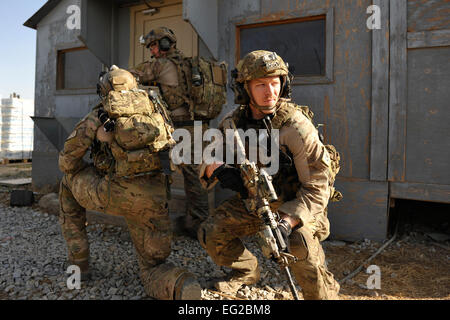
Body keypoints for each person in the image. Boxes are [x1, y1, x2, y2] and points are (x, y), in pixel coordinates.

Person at [197, 50, 341, 300]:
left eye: (275, 83)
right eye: (261, 85)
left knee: (298, 245)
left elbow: (318, 187)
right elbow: (208, 154)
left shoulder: (295, 126)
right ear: (245, 89)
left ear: (284, 85)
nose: (270, 91)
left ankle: (324, 293)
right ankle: (246, 272)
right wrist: (218, 167)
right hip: (255, 202)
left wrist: (287, 222)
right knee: (212, 231)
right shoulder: (233, 122)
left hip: (297, 205)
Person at [58, 66, 201, 300]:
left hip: (113, 193)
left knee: (67, 184)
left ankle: (79, 265)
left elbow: (67, 160)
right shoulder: (157, 109)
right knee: (153, 264)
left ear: (103, 90)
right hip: (155, 199)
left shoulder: (99, 113)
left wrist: (88, 169)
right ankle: (179, 285)